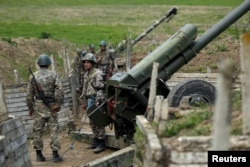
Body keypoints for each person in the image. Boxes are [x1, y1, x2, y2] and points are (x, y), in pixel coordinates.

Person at [26, 54, 64, 162]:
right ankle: (55, 154)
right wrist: (58, 103)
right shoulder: (54, 75)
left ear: (38, 64)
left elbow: (29, 95)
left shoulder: (34, 76)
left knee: (38, 131)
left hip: (38, 106)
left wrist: (31, 108)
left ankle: (39, 154)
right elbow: (60, 91)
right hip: (51, 105)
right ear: (48, 64)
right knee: (53, 130)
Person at [80, 53, 106, 154]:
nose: (85, 64)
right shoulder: (86, 74)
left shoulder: (97, 74)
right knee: (91, 122)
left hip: (96, 100)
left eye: (88, 62)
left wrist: (98, 102)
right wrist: (84, 101)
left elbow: (100, 89)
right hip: (89, 100)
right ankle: (95, 141)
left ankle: (101, 142)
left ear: (92, 63)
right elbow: (84, 89)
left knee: (99, 121)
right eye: (84, 62)